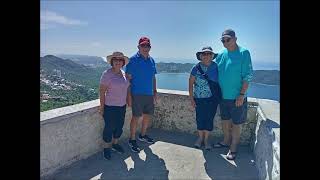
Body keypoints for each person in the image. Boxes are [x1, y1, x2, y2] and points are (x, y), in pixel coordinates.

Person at [214, 29, 253, 160]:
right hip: (223, 96)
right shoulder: (221, 54)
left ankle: (234, 147)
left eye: (227, 39)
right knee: (225, 121)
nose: (225, 42)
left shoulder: (244, 53)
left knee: (236, 123)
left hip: (237, 97)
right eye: (223, 40)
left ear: (235, 39)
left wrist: (242, 94)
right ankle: (226, 141)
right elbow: (213, 68)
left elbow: (247, 76)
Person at [125, 36, 157, 153]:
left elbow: (153, 77)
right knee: (136, 117)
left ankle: (143, 135)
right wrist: (128, 96)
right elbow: (127, 79)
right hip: (137, 94)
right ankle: (132, 139)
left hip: (149, 94)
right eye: (143, 45)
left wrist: (155, 91)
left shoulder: (152, 60)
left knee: (147, 115)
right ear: (138, 47)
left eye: (147, 46)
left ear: (150, 47)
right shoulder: (132, 60)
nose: (145, 48)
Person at [99, 51, 130, 160]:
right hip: (110, 107)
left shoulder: (123, 73)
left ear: (123, 62)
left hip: (122, 106)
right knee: (109, 128)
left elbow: (126, 88)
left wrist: (128, 101)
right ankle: (106, 148)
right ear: (112, 61)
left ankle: (115, 144)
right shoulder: (107, 74)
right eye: (115, 60)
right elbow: (102, 91)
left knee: (119, 127)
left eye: (120, 60)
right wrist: (102, 107)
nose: (118, 62)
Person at [189, 46, 220, 151]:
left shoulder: (216, 67)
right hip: (199, 98)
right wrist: (191, 99)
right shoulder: (196, 68)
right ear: (201, 56)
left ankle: (206, 140)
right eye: (204, 54)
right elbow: (190, 84)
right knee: (200, 118)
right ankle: (200, 138)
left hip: (212, 99)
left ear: (212, 56)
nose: (206, 56)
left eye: (209, 54)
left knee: (209, 119)